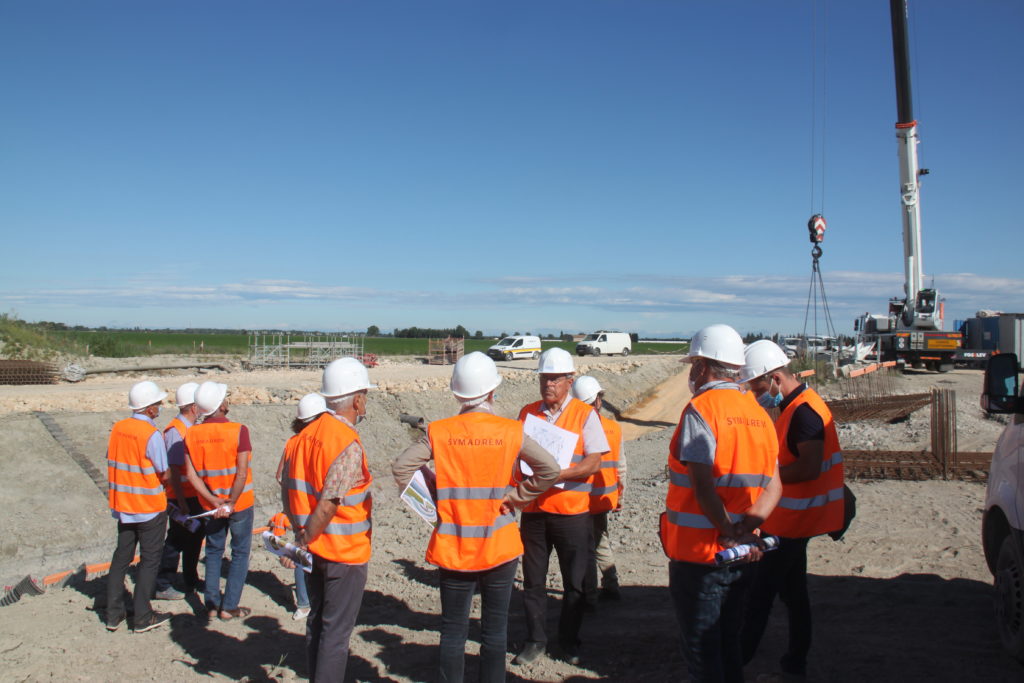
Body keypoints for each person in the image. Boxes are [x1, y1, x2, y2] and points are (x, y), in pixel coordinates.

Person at [392, 352, 560, 683]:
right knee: (494, 632)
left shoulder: (439, 431)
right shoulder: (511, 431)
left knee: (453, 631)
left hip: (453, 544)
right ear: (493, 392)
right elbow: (550, 469)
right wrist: (518, 497)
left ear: (458, 394)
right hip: (499, 544)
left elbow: (401, 468)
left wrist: (433, 505)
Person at [661, 324, 781, 683]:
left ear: (702, 367)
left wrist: (729, 531)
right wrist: (747, 531)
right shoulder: (760, 415)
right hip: (744, 553)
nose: (691, 373)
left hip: (699, 556)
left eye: (693, 364)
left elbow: (703, 485)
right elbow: (775, 488)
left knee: (702, 653)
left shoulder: (701, 410)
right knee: (729, 645)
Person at [739, 340, 846, 681]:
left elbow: (809, 468)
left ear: (774, 378)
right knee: (794, 594)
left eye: (757, 386)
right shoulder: (796, 406)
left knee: (760, 595)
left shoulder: (803, 412)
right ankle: (795, 660)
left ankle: (734, 663)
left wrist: (764, 478)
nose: (756, 395)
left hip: (792, 523)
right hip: (792, 520)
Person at [514, 347, 610, 667]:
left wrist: (559, 474)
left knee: (575, 584)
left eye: (555, 379)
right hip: (535, 513)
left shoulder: (585, 415)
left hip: (571, 513)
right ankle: (535, 641)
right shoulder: (527, 413)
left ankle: (568, 641)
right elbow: (515, 454)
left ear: (570, 381)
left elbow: (594, 461)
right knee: (533, 582)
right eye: (544, 378)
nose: (548, 384)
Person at [281, 357, 375, 683]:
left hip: (313, 552)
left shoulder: (301, 438)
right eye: (364, 395)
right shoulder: (345, 443)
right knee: (336, 634)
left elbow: (287, 488)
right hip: (342, 552)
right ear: (357, 400)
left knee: (317, 622)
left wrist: (299, 539)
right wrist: (302, 540)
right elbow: (329, 503)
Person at [184, 381, 255, 621]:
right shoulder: (238, 430)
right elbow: (242, 472)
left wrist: (212, 500)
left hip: (210, 507)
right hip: (239, 504)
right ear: (221, 405)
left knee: (213, 550)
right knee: (240, 552)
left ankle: (212, 604)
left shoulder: (191, 434)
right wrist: (230, 502)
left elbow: (192, 475)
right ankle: (230, 606)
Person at [105, 380, 172, 633]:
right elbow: (163, 472)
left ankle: (113, 614)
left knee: (121, 557)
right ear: (148, 409)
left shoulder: (119, 428)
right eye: (157, 403)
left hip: (123, 504)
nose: (160, 407)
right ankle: (142, 616)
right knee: (150, 560)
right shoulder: (150, 434)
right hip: (149, 506)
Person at [273, 392, 330, 621]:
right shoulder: (321, 443)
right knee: (318, 556)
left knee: (301, 555)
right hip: (317, 511)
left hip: (297, 511)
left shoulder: (293, 443)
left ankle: (304, 604)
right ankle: (315, 601)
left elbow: (280, 476)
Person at [572, 375, 626, 605]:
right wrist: (620, 494)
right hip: (605, 496)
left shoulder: (576, 429)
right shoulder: (613, 428)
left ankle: (590, 597)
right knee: (600, 540)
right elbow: (621, 467)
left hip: (583, 499)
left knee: (587, 549)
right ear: (598, 401)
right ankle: (611, 583)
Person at [154, 381, 205, 600]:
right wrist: (182, 502)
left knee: (194, 539)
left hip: (192, 495)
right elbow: (173, 470)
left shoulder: (190, 429)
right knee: (176, 540)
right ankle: (163, 583)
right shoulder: (176, 431)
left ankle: (190, 579)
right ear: (194, 407)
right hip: (181, 497)